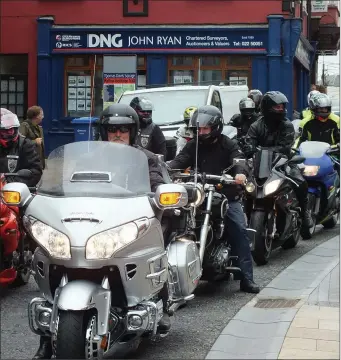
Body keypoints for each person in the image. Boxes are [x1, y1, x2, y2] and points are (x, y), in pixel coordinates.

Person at [32, 103, 170, 360]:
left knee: (154, 241)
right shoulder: (85, 159)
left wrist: (159, 196)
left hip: (125, 221)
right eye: (112, 129)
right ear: (103, 132)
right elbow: (59, 185)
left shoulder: (147, 159)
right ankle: (45, 338)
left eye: (124, 130)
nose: (118, 134)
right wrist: (43, 194)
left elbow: (158, 184)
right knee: (50, 256)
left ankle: (161, 298)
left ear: (133, 130)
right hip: (90, 222)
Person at [168, 105, 260, 294]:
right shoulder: (193, 145)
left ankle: (247, 278)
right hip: (200, 193)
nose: (201, 132)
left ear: (215, 127)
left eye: (205, 129)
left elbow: (239, 161)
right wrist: (166, 168)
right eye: (198, 129)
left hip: (225, 193)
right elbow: (180, 160)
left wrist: (240, 173)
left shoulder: (228, 144)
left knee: (239, 229)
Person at [244, 91, 314, 229]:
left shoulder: (287, 125)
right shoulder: (256, 126)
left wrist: (262, 149)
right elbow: (249, 145)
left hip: (282, 161)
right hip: (260, 163)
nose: (281, 109)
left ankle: (304, 212)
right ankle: (244, 217)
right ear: (267, 107)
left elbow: (285, 148)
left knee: (300, 181)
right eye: (277, 107)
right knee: (242, 184)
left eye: (282, 106)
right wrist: (247, 150)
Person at [0, 108, 42, 187]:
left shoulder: (25, 144)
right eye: (5, 130)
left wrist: (8, 182)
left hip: (14, 193)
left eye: (12, 129)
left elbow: (35, 171)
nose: (10, 132)